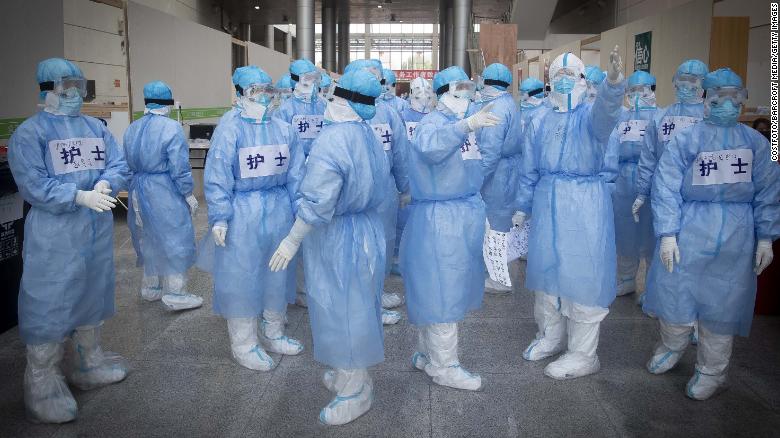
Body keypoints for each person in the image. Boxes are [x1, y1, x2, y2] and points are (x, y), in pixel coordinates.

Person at [643, 68, 779, 400]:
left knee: (723, 303)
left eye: (736, 97)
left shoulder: (758, 144)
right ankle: (673, 345)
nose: (729, 105)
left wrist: (765, 236)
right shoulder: (687, 140)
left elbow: (768, 192)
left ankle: (712, 371)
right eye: (720, 97)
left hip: (737, 233)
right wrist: (668, 233)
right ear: (708, 100)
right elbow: (667, 187)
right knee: (675, 291)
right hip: (691, 227)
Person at [8, 58, 130, 423]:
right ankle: (42, 382)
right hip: (55, 233)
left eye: (79, 85)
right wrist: (77, 196)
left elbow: (118, 162)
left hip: (94, 227)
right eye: (66, 86)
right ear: (47, 90)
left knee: (92, 291)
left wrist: (107, 182)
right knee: (51, 297)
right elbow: (32, 183)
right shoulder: (30, 134)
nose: (75, 93)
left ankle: (87, 363)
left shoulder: (96, 127)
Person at [267, 68, 391, 425]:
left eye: (334, 95)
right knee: (354, 305)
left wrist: (292, 240)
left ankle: (356, 388)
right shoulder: (365, 133)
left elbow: (318, 199)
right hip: (364, 230)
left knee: (344, 310)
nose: (328, 101)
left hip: (338, 236)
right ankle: (347, 373)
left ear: (346, 101)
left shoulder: (334, 140)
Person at [514, 47, 625, 379]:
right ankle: (551, 335)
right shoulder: (539, 119)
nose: (562, 81)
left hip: (585, 204)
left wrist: (614, 83)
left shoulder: (591, 118)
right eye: (556, 76)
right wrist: (522, 206)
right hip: (548, 200)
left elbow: (607, 111)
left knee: (583, 275)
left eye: (569, 75)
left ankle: (583, 352)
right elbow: (529, 168)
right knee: (547, 274)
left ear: (581, 79)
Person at [199, 66, 305, 372]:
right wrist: (220, 216)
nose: (263, 97)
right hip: (242, 214)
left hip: (279, 210)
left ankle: (274, 331)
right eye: (255, 91)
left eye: (266, 90)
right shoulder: (230, 128)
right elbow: (218, 176)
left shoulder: (284, 128)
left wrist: (300, 213)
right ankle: (244, 343)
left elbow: (296, 175)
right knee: (242, 277)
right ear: (240, 94)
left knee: (277, 273)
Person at [402, 66, 500, 391]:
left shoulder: (462, 126)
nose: (467, 95)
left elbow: (471, 165)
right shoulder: (435, 123)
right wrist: (465, 125)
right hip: (439, 220)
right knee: (442, 291)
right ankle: (444, 366)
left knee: (443, 287)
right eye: (459, 89)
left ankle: (428, 354)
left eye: (469, 88)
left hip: (460, 214)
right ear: (442, 91)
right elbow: (431, 147)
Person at [124, 81, 203, 311]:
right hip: (163, 190)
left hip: (138, 189)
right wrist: (187, 192)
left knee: (147, 237)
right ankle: (176, 293)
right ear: (168, 102)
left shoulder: (132, 127)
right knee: (174, 239)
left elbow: (126, 165)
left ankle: (151, 288)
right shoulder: (171, 128)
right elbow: (179, 166)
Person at [345, 59, 409, 325]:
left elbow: (400, 153)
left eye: (378, 78)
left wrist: (405, 187)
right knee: (358, 250)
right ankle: (362, 304)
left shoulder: (388, 113)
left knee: (382, 245)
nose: (375, 84)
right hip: (353, 196)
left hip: (384, 192)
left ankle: (377, 294)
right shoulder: (343, 112)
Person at [633, 60, 708, 224]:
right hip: (664, 189)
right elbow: (648, 157)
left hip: (701, 194)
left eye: (693, 80)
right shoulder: (661, 117)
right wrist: (642, 192)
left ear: (704, 84)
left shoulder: (709, 118)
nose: (686, 84)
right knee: (665, 238)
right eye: (682, 79)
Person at [609, 71, 658, 297]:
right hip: (622, 178)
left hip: (652, 178)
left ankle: (649, 287)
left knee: (650, 232)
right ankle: (626, 277)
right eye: (632, 91)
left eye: (642, 90)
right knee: (624, 230)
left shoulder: (660, 118)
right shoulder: (621, 117)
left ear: (653, 90)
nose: (636, 95)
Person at [395, 77, 436, 274]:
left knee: (427, 221)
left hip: (430, 177)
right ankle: (400, 257)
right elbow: (399, 150)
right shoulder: (401, 116)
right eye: (418, 90)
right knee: (405, 221)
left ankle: (424, 255)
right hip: (409, 175)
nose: (424, 94)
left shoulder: (436, 117)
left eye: (427, 89)